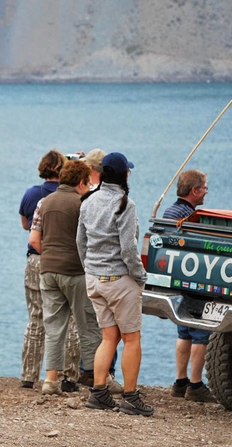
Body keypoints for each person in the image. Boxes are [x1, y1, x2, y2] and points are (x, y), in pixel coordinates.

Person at [76, 152, 153, 416]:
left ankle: (99, 393)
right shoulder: (125, 204)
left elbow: (80, 242)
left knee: (108, 337)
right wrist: (141, 276)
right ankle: (131, 398)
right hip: (119, 280)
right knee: (132, 338)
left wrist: (89, 269)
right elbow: (129, 249)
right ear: (124, 175)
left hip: (95, 280)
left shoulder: (88, 201)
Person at [27, 160, 101, 395]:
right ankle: (95, 377)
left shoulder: (43, 202)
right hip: (76, 271)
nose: (89, 188)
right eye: (88, 183)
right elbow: (92, 239)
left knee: (54, 326)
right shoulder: (84, 203)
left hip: (48, 270)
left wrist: (50, 255)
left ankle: (50, 380)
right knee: (88, 325)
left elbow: (34, 241)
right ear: (80, 182)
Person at [19, 150, 81, 391]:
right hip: (65, 262)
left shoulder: (32, 194)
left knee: (35, 317)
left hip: (35, 261)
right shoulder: (73, 197)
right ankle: (68, 376)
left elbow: (26, 225)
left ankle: (28, 375)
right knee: (69, 321)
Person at [162, 170, 215, 403]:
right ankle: (195, 385)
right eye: (204, 187)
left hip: (175, 279)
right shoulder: (191, 217)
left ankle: (179, 381)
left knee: (183, 330)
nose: (206, 191)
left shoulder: (169, 212)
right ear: (194, 191)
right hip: (193, 280)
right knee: (201, 331)